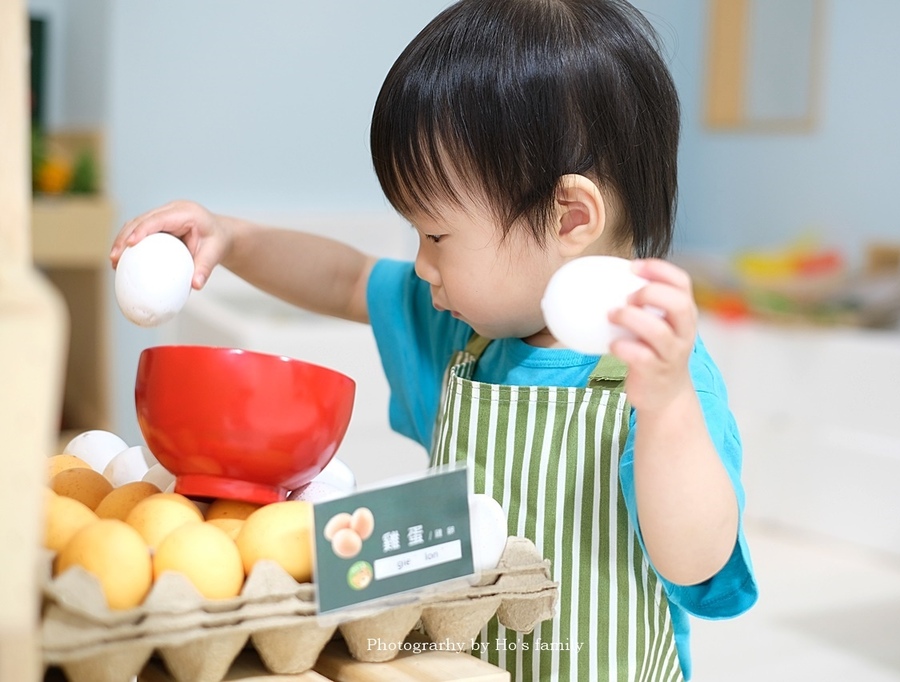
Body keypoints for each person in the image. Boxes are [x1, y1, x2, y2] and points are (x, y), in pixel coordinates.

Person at [110, 0, 757, 679]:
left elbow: (696, 560)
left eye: (436, 235)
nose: (421, 264)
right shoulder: (465, 332)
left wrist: (669, 411)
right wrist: (234, 238)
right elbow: (345, 277)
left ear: (570, 217)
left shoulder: (660, 383)